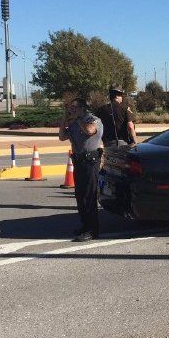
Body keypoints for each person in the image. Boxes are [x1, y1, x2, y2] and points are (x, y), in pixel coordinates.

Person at [58, 97, 104, 242]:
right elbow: (61, 137)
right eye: (70, 107)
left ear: (82, 108)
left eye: (74, 107)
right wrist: (64, 119)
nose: (72, 110)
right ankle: (85, 226)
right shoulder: (73, 122)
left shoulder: (93, 120)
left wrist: (78, 119)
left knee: (90, 196)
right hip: (78, 161)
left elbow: (90, 131)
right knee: (81, 196)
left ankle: (92, 231)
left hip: (91, 161)